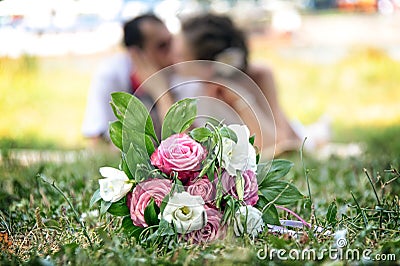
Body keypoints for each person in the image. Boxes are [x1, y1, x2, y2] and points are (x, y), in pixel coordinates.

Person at [173, 13, 309, 157]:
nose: (173, 61)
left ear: (206, 65)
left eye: (180, 56)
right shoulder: (188, 92)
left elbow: (282, 144)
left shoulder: (256, 76)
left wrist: (239, 100)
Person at [81, 14, 174, 147]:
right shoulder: (110, 75)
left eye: (171, 42)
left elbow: (184, 142)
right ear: (136, 54)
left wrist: (162, 92)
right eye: (162, 46)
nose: (172, 52)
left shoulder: (177, 72)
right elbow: (97, 139)